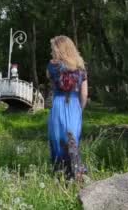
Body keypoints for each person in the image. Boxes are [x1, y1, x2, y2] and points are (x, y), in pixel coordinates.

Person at [47, 35, 88, 181]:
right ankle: (76, 173)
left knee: (58, 141)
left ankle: (60, 175)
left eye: (53, 48)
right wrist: (79, 110)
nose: (52, 51)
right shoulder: (80, 68)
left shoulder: (52, 66)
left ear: (59, 49)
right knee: (73, 141)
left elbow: (52, 87)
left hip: (58, 105)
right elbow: (84, 94)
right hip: (74, 106)